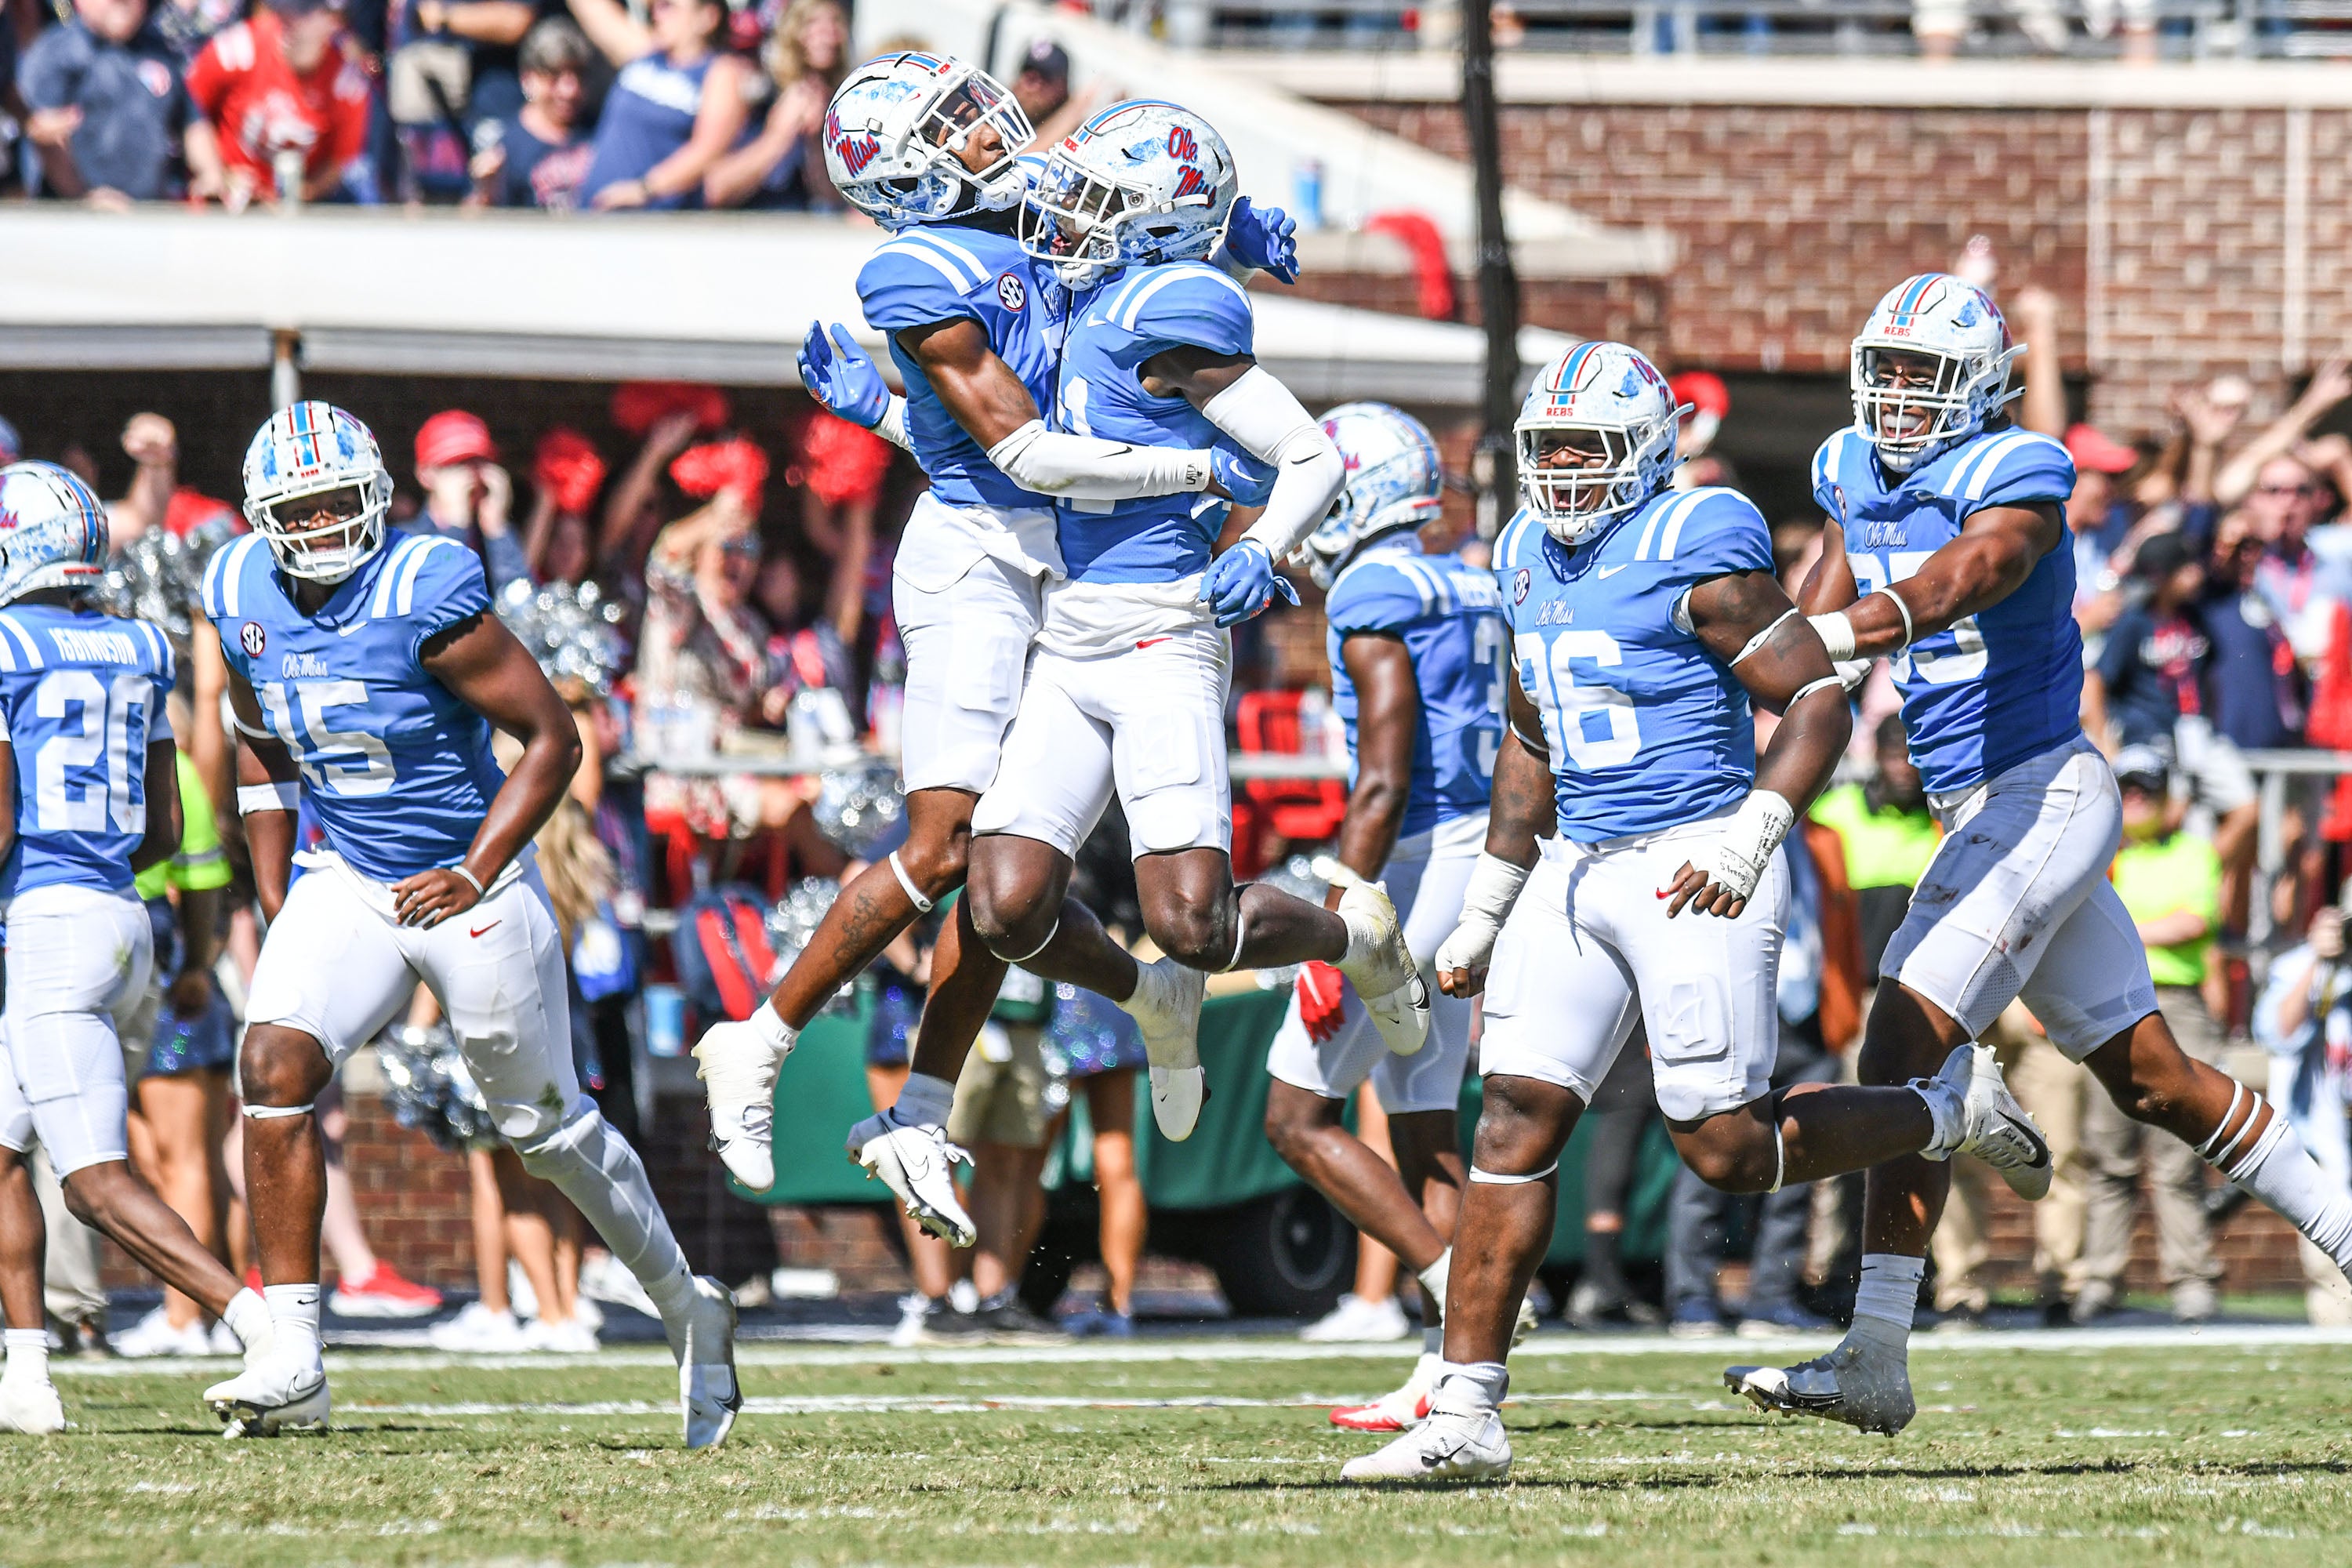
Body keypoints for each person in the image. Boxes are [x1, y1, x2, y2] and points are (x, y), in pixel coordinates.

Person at [1340, 341, 2044, 1485]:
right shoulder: (1522, 550)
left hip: (1693, 854)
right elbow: (1532, 739)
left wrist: (1752, 832)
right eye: (1549, 448)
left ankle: (1940, 1108)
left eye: (1589, 449)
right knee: (1512, 1120)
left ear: (1647, 452)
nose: (1564, 472)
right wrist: (1487, 904)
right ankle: (1465, 1412)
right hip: (1577, 861)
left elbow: (1814, 689)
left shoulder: (1696, 544)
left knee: (1722, 1144)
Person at [693, 55, 1299, 1242]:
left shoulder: (1023, 205)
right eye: (957, 127)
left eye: (975, 110)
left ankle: (925, 1102)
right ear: (906, 173)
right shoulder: (915, 266)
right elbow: (1021, 453)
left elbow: (1126, 214)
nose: (993, 131)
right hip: (982, 554)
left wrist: (1224, 229)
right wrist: (1211, 467)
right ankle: (758, 1036)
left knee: (1008, 874)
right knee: (944, 839)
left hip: (1071, 558)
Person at [1735, 273, 2352, 1436]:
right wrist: (1738, 727)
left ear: (1981, 383)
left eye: (1926, 374)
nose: (1902, 396)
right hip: (1974, 811)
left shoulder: (2021, 468)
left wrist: (1821, 630)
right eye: (1891, 370)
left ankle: (1874, 1350)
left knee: (1905, 1037)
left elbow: (1963, 579)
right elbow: (1808, 646)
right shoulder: (1849, 468)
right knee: (2155, 1080)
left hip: (2044, 789)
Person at [196, 402, 736, 1443]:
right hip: (346, 874)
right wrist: (274, 891)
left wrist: (476, 866)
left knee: (545, 1131)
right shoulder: (238, 587)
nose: (315, 531)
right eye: (295, 512)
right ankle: (296, 1353)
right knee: (270, 1066)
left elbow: (549, 738)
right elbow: (258, 739)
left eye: (332, 506)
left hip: (463, 877)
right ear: (264, 518)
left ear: (376, 499)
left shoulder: (423, 584)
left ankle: (686, 1306)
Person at [957, 101, 1425, 1158]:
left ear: (1158, 228)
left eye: (1098, 202)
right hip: (1065, 634)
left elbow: (1311, 457)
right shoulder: (1101, 286)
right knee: (1005, 905)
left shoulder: (1174, 307)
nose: (1066, 215)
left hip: (1163, 630)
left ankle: (1355, 942)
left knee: (1195, 926)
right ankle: (1147, 1000)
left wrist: (1261, 548)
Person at [0, 462, 277, 1435]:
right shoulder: (138, 644)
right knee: (0, 1153)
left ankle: (268, 1331)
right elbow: (164, 830)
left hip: (45, 920)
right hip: (122, 915)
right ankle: (26, 1376)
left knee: (93, 1181)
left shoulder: (5, 645)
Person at [1257, 403, 1502, 1432]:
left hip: (1417, 855)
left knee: (1296, 1111)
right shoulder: (1474, 574)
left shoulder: (1375, 584)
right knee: (1421, 1111)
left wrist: (1334, 921)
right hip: (1476, 848)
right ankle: (1452, 1369)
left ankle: (1458, 1289)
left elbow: (1383, 777)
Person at [2074, 747, 2226, 1324]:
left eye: (2147, 790)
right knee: (2106, 1153)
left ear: (2168, 798)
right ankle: (2100, 1278)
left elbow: (2195, 919)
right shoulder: (2099, 854)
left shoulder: (2192, 851)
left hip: (2175, 1005)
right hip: (2105, 999)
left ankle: (2191, 1279)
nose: (2136, 799)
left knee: (2179, 1155)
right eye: (2128, 789)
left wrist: (2122, 931)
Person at [18, 0, 224, 203]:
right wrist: (83, 198)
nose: (122, 2)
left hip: (149, 214)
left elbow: (192, 121)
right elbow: (41, 133)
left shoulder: (158, 49)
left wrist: (211, 175)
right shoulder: (57, 52)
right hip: (72, 218)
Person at [567, 0, 752, 210]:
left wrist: (645, 189)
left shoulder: (721, 72)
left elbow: (709, 150)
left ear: (707, 17)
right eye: (655, 6)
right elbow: (594, 11)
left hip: (652, 221)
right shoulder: (646, 54)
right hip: (592, 213)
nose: (657, 13)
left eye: (668, 6)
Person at [185, 0, 373, 206]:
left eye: (304, 10)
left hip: (299, 211)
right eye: (286, 6)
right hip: (228, 203)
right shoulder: (239, 48)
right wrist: (214, 173)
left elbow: (340, 159)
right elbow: (191, 109)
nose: (288, 16)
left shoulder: (345, 82)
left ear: (334, 20)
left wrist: (304, 193)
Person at [701, 0, 845, 210]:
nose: (828, 33)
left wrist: (818, 140)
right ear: (792, 31)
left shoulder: (840, 97)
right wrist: (780, 134)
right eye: (813, 22)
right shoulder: (758, 89)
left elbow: (832, 198)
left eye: (835, 22)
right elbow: (715, 188)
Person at [466, 17, 593, 210]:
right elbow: (470, 222)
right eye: (554, 76)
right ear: (528, 79)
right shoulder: (504, 146)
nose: (570, 90)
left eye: (578, 75)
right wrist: (485, 194)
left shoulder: (597, 132)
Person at [408, 410, 529, 596]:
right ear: (426, 475)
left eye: (479, 463)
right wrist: (456, 524)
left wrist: (497, 528)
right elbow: (438, 600)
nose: (472, 476)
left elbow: (521, 604)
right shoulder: (406, 541)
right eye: (458, 465)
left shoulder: (497, 538)